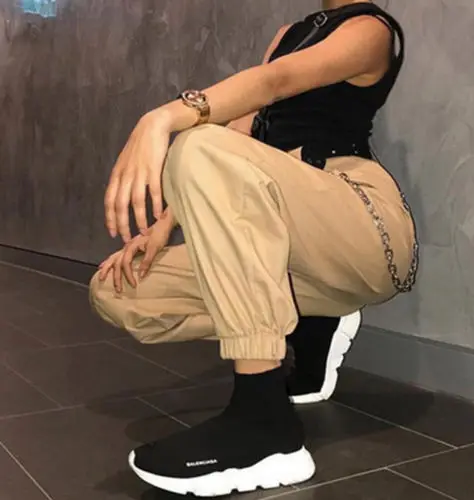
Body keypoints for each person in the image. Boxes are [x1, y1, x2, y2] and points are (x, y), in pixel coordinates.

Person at [89, 0, 418, 496]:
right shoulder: (289, 32)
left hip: (358, 219)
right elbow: (241, 128)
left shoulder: (371, 29)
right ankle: (310, 318)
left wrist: (162, 119)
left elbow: (275, 82)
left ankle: (264, 424)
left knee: (197, 143)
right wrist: (162, 227)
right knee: (118, 290)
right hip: (286, 232)